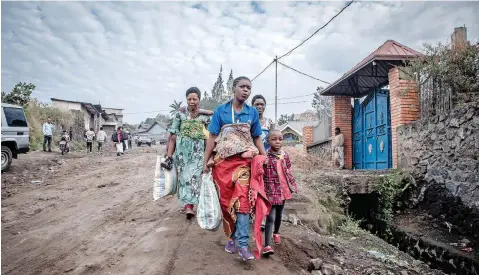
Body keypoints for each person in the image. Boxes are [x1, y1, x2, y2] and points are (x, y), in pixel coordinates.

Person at [204, 76, 266, 261]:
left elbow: (256, 137)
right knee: (226, 203)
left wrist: (264, 157)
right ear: (234, 88)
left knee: (243, 202)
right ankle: (231, 237)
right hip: (222, 164)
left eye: (249, 87)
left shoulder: (252, 113)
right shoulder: (220, 111)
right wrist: (205, 162)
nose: (246, 90)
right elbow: (212, 137)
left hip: (243, 164)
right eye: (242, 87)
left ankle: (244, 244)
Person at [168, 87, 211, 219]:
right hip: (182, 153)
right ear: (186, 100)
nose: (192, 101)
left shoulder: (205, 116)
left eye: (195, 99)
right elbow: (173, 133)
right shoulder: (180, 114)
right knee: (184, 178)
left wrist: (210, 155)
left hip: (198, 152)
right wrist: (169, 154)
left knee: (195, 177)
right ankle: (188, 206)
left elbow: (211, 135)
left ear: (199, 99)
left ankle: (191, 206)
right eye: (189, 99)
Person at [262, 130, 298, 255]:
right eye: (274, 139)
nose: (277, 141)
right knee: (270, 216)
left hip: (283, 189)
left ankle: (276, 232)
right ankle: (267, 245)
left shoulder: (285, 155)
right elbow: (262, 174)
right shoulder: (265, 156)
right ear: (268, 141)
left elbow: (288, 171)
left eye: (280, 139)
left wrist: (292, 185)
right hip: (271, 190)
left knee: (279, 214)